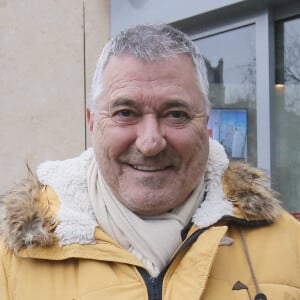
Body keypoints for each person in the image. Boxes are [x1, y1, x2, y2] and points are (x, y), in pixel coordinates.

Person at [0, 24, 299, 300]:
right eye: (125, 113)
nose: (150, 143)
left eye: (176, 114)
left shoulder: (289, 247)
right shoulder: (12, 260)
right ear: (92, 123)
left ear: (206, 125)